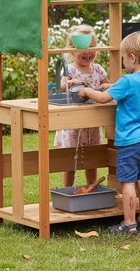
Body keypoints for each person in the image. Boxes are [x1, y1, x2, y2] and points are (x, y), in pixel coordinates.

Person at [79, 31, 140, 234]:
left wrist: (86, 91)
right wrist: (113, 86)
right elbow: (131, 88)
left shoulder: (127, 81)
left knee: (127, 183)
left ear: (132, 58)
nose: (123, 62)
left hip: (131, 142)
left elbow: (103, 99)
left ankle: (129, 224)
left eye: (123, 58)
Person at [54, 24, 110, 187]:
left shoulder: (98, 70)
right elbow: (62, 86)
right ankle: (68, 190)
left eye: (91, 47)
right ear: (72, 50)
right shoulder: (69, 69)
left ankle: (90, 188)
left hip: (92, 123)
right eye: (82, 48)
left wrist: (109, 86)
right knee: (70, 160)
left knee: (91, 159)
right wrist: (72, 81)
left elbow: (109, 85)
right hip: (73, 124)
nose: (88, 52)